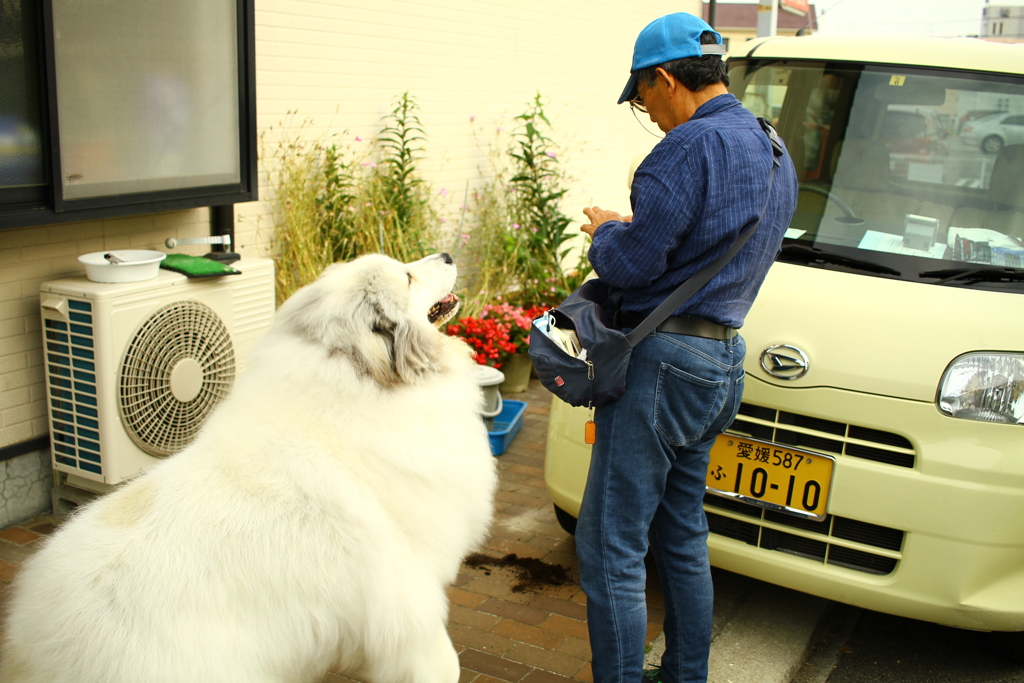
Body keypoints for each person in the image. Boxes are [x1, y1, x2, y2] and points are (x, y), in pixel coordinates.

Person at [574, 12, 798, 683]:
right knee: (683, 533)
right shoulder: (773, 147)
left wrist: (605, 234)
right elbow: (706, 241)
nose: (648, 112)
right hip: (722, 362)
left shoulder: (683, 149)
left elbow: (634, 265)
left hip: (664, 366)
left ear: (666, 80)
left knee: (609, 545)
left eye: (643, 99)